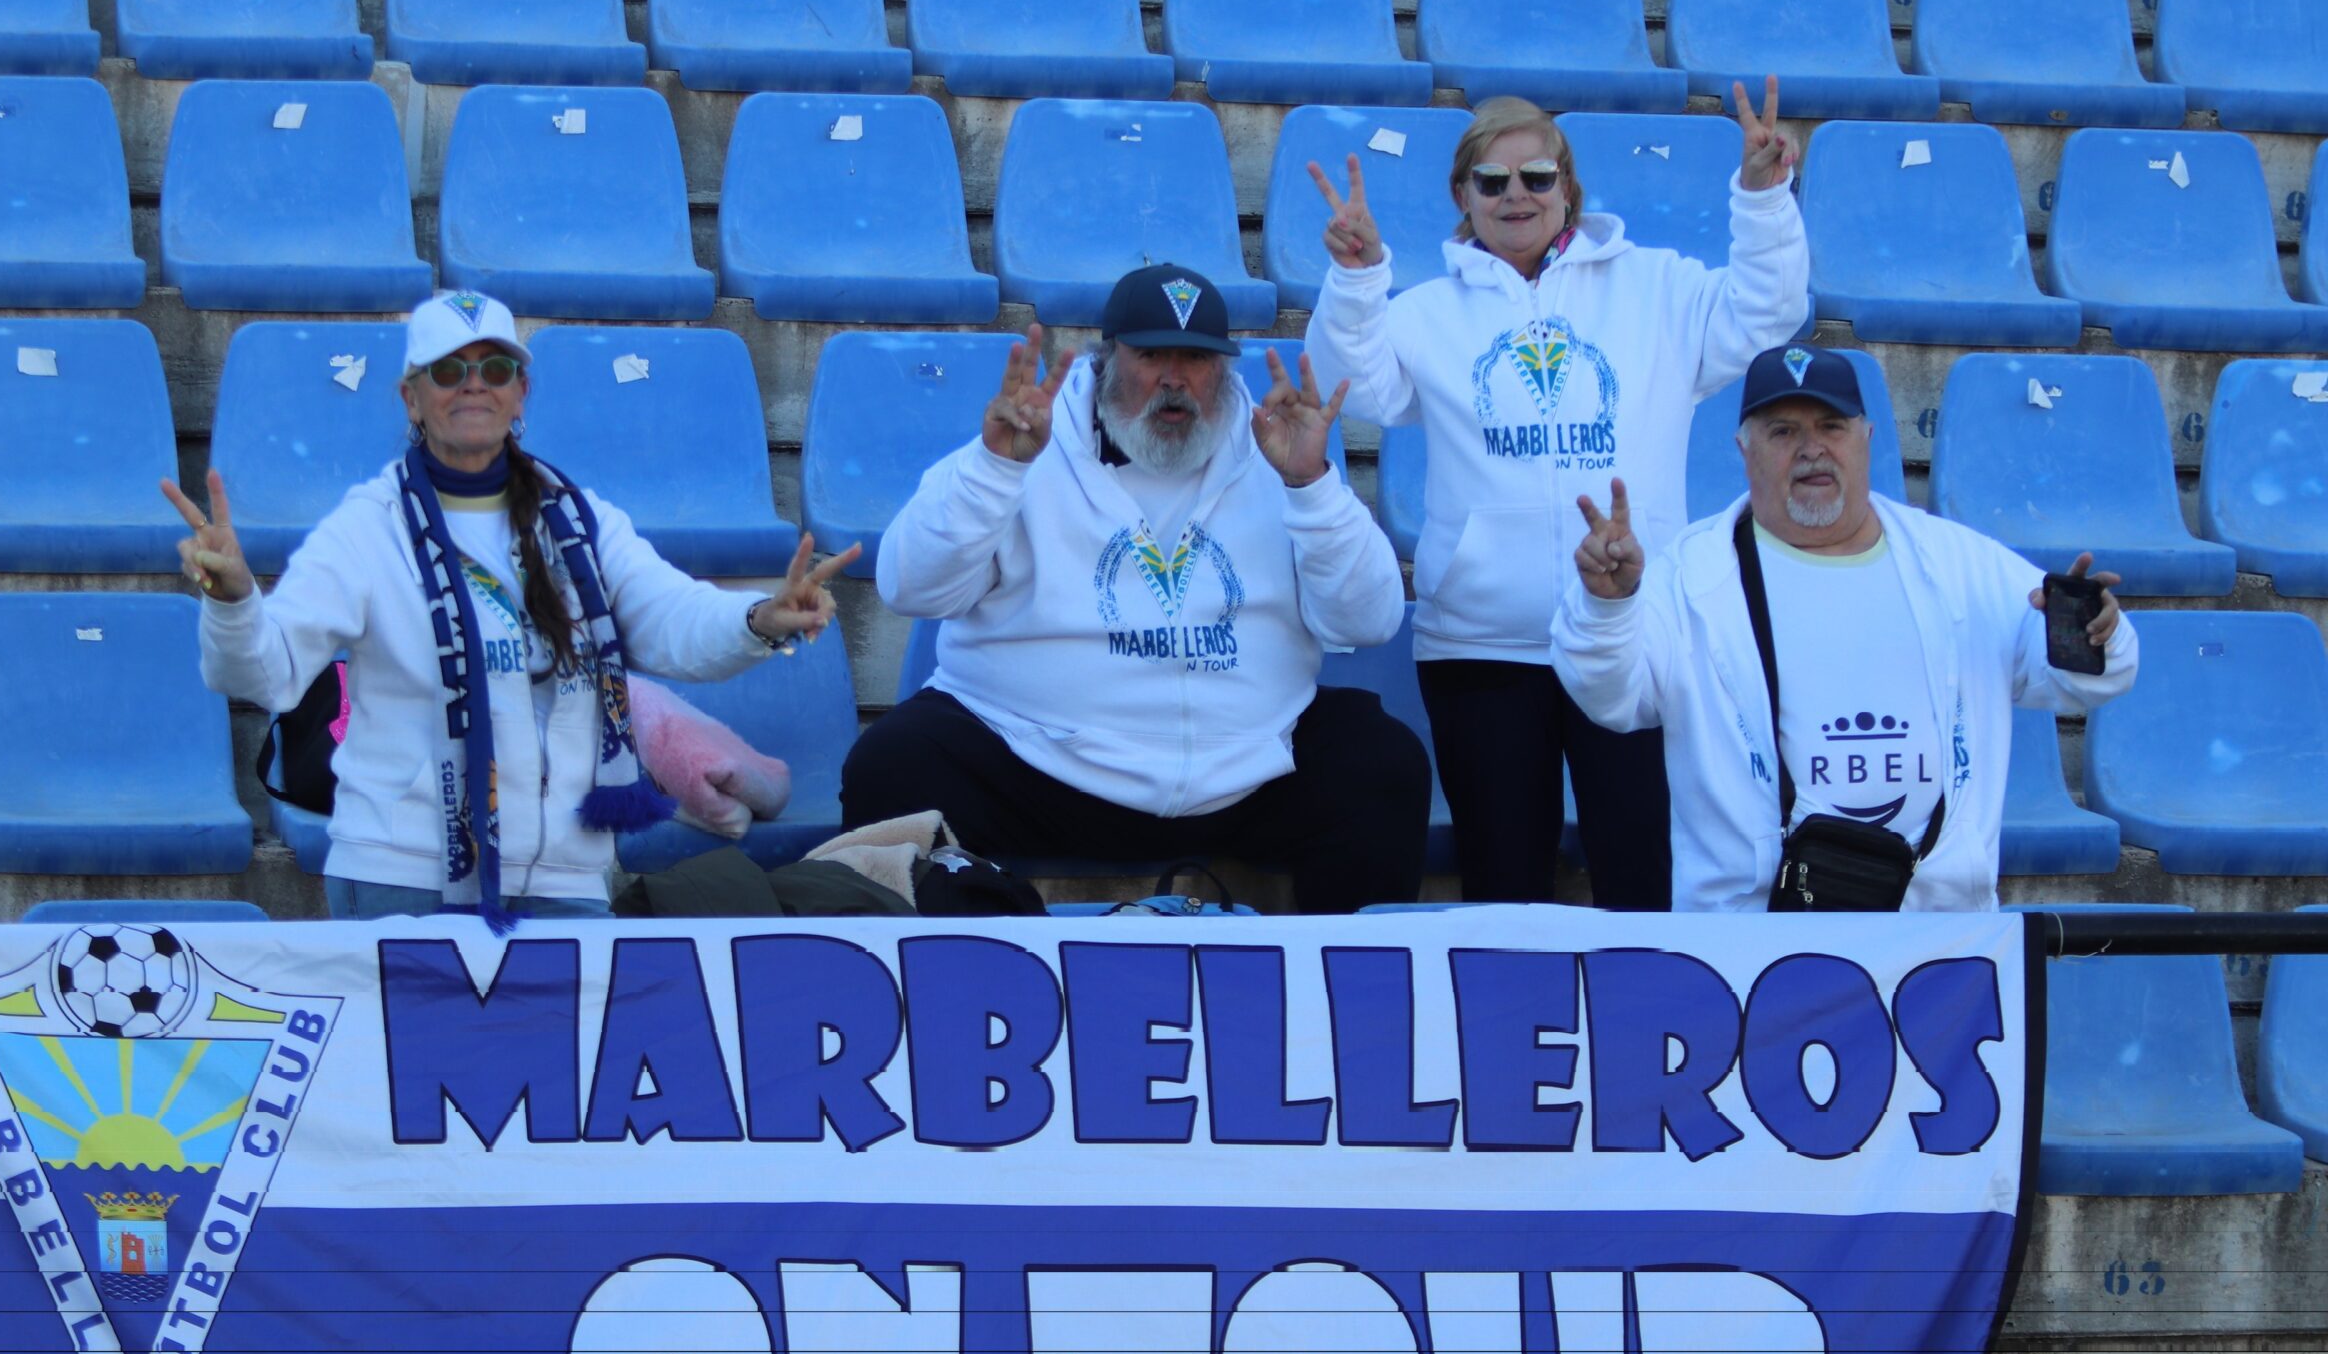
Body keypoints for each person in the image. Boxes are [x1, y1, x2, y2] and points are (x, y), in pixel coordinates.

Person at [166, 289, 858, 926]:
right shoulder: (367, 526)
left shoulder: (580, 521)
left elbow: (674, 618)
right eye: (448, 370)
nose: (474, 383)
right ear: (411, 398)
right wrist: (234, 601)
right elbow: (268, 672)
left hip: (564, 873)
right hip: (403, 873)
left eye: (495, 368)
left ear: (521, 391)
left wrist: (759, 619)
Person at [1302, 83, 1810, 909]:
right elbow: (1352, 388)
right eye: (1492, 181)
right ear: (1462, 196)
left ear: (1568, 187)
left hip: (1635, 631)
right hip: (1480, 648)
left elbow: (1767, 312)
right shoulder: (1427, 313)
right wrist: (1357, 279)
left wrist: (1762, 197)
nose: (1517, 196)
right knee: (1505, 890)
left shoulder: (1660, 289)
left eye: (1537, 177)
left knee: (1644, 881)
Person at [839, 263, 1429, 914]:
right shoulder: (1024, 449)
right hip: (1040, 763)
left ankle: (1338, 977)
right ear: (1107, 360)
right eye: (1151, 355)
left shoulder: (1280, 455)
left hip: (1246, 770)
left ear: (1223, 370)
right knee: (892, 765)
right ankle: (990, 968)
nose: (1174, 379)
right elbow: (910, 587)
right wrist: (993, 471)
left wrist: (1312, 487)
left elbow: (1369, 619)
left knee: (1383, 762)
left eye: (1196, 359)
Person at [1551, 345, 2136, 913]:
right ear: (1744, 450)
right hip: (1750, 937)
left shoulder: (1962, 564)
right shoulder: (1688, 576)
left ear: (1867, 439)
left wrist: (2094, 632)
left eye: (1831, 427)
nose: (1812, 449)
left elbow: (2087, 680)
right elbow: (1611, 699)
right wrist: (1608, 607)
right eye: (1783, 432)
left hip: (1938, 930)